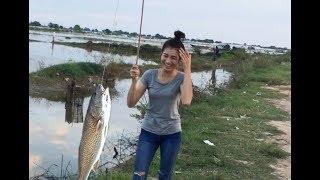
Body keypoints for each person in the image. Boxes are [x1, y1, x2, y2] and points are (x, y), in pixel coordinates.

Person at [127, 30, 193, 180]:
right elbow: (131, 103)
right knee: (139, 175)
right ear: (161, 54)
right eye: (166, 55)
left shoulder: (182, 78)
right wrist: (133, 81)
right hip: (148, 132)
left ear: (180, 60)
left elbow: (187, 100)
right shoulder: (150, 74)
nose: (168, 61)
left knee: (164, 176)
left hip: (172, 134)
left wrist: (188, 68)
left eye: (174, 58)